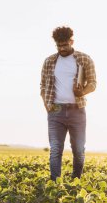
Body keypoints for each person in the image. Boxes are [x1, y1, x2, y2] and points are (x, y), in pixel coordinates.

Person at [40, 26, 97, 181]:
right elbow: (43, 86)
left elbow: (93, 83)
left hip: (77, 110)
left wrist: (82, 92)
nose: (62, 48)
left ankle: (75, 182)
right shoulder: (50, 61)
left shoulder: (84, 59)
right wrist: (46, 103)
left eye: (65, 45)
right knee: (56, 149)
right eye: (59, 45)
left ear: (71, 41)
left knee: (78, 150)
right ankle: (54, 183)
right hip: (56, 110)